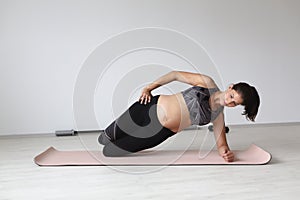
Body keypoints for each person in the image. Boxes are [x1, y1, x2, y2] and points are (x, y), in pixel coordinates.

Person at [98, 71, 260, 162]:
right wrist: (148, 88)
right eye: (232, 96)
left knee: (109, 151)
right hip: (148, 108)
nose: (229, 102)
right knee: (104, 139)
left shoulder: (218, 116)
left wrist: (226, 153)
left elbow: (221, 145)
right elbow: (175, 75)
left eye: (235, 104)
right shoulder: (207, 83)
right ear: (230, 87)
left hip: (159, 133)